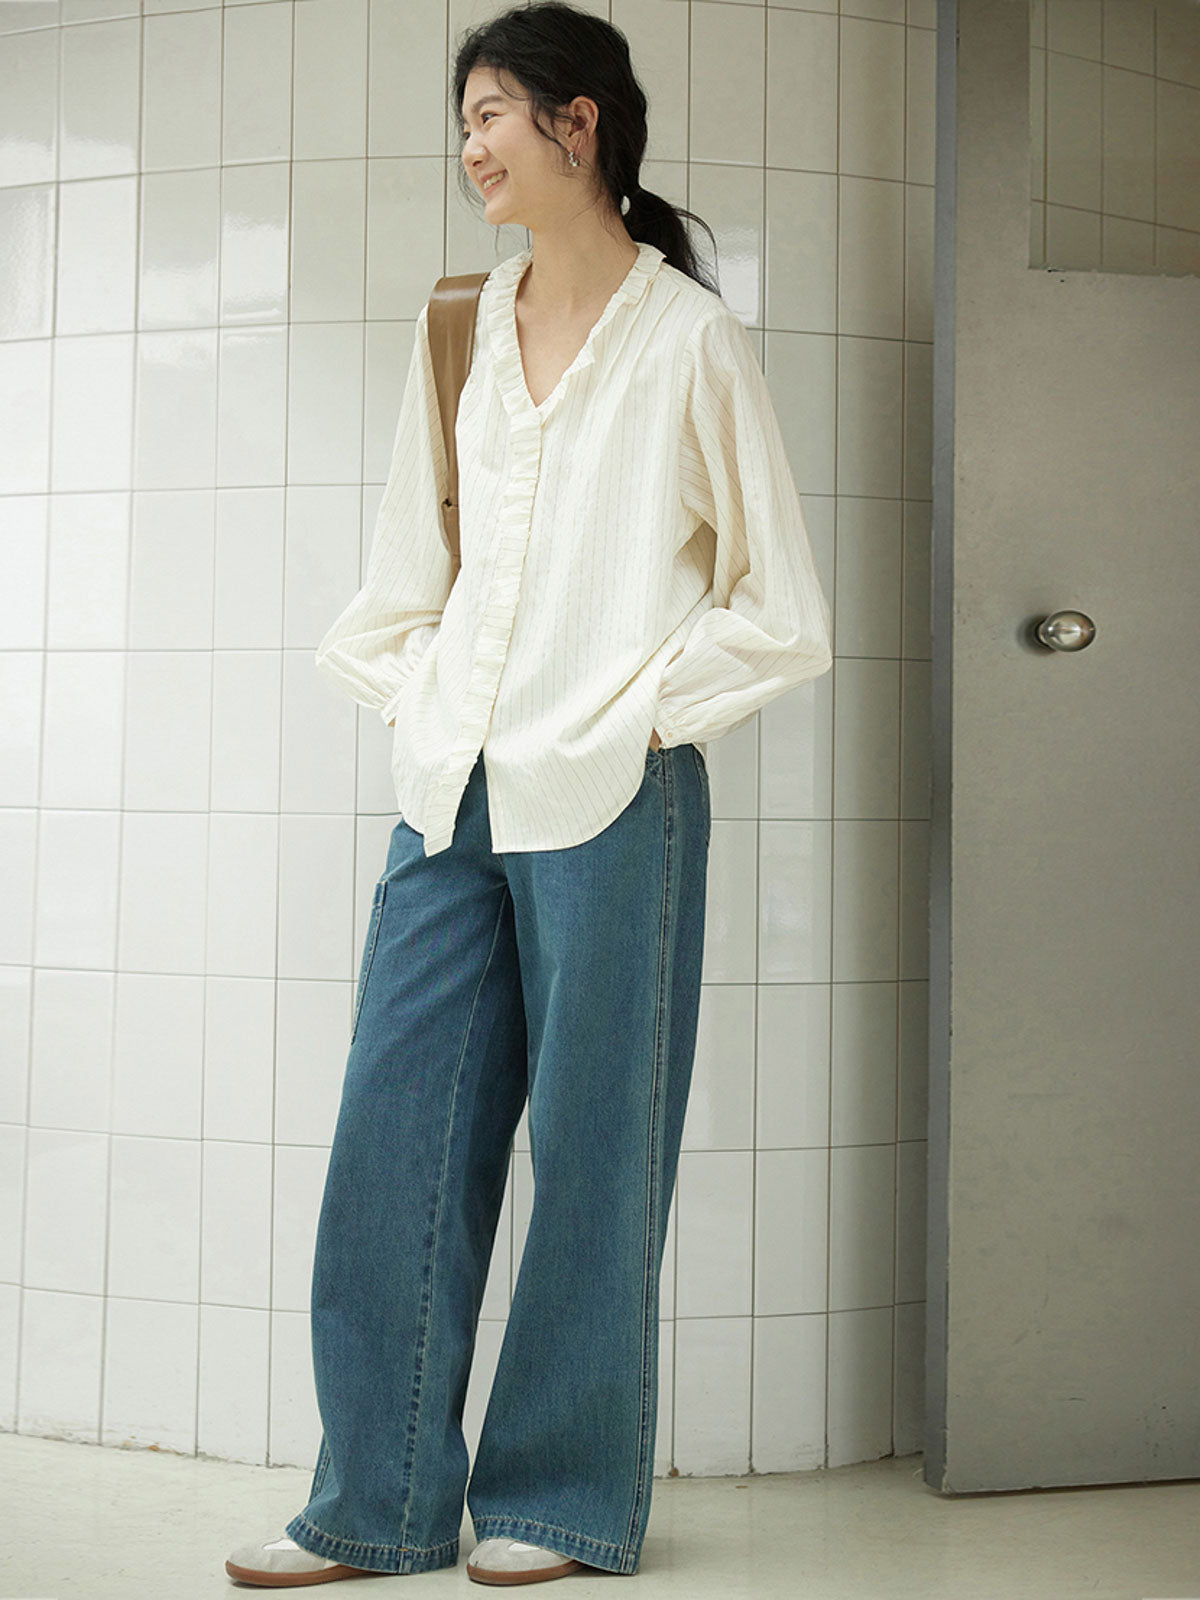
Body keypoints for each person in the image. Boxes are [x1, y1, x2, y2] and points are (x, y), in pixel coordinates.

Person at [225, 1, 832, 1588]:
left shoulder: (689, 338)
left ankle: (557, 1500)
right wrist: (430, 699)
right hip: (451, 793)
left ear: (581, 124)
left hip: (616, 799)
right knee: (394, 1141)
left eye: (493, 112)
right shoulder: (462, 325)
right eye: (465, 120)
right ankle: (375, 1504)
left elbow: (783, 611)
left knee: (594, 1154)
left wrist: (638, 718)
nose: (471, 145)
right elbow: (397, 580)